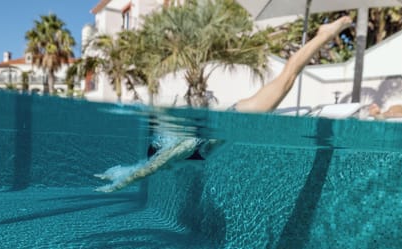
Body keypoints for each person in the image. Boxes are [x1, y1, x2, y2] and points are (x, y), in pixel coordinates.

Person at [94, 16, 353, 192]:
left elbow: (149, 168)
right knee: (287, 78)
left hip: (234, 119)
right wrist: (121, 173)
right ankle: (323, 35)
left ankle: (324, 35)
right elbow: (145, 166)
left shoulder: (180, 148)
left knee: (286, 79)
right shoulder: (176, 150)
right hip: (224, 128)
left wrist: (120, 183)